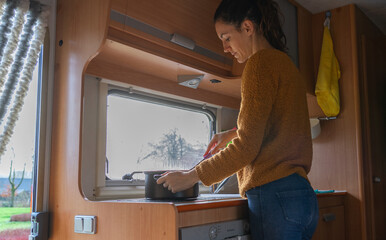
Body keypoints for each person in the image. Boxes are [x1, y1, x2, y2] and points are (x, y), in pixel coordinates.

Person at [157, 0, 319, 239]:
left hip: (275, 195)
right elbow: (279, 125)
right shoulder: (285, 65)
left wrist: (191, 177)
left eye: (226, 37)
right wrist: (232, 133)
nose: (224, 47)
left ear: (247, 27)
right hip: (302, 197)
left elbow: (246, 149)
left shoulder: (258, 64)